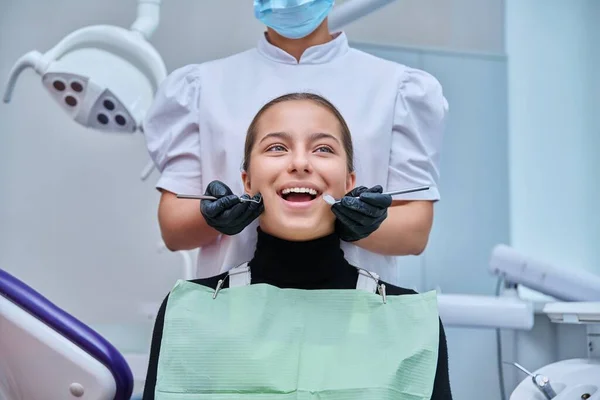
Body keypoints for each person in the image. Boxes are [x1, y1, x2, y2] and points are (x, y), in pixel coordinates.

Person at [142, 92, 452, 399]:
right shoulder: (190, 314)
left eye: (323, 149)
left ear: (349, 181)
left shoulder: (410, 324)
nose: (300, 162)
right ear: (247, 181)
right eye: (277, 147)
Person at [142, 0, 448, 283]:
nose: (299, 164)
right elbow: (174, 230)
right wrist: (214, 218)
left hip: (357, 321)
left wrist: (356, 224)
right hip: (234, 318)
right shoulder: (201, 87)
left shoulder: (397, 88)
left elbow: (415, 233)